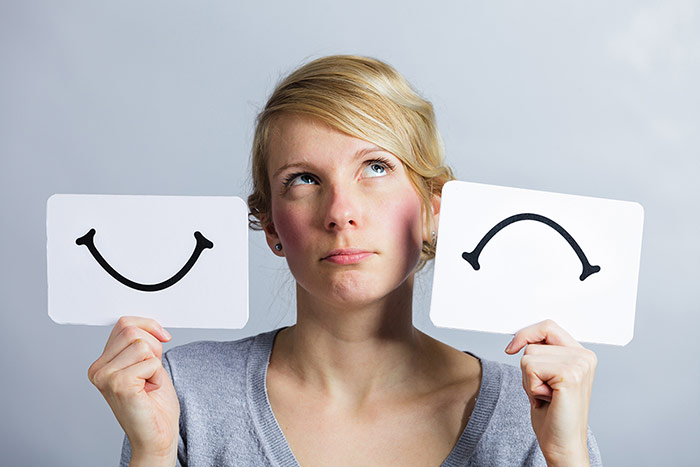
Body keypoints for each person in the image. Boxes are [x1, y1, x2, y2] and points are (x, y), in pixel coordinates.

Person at [88, 55, 601, 466]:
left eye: (375, 167)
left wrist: (567, 456)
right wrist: (152, 453)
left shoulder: (531, 410)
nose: (340, 213)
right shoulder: (184, 395)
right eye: (303, 179)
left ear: (432, 208)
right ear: (271, 227)